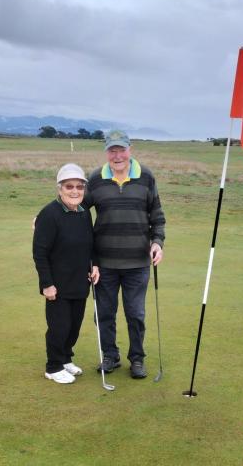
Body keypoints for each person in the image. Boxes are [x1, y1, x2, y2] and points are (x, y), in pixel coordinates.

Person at [83, 130, 165, 379]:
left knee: (135, 314)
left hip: (137, 263)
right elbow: (77, 208)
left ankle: (137, 359)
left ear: (130, 149)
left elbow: (157, 216)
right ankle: (110, 356)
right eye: (112, 150)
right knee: (104, 313)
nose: (117, 155)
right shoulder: (96, 179)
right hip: (103, 263)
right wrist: (46, 219)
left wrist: (157, 243)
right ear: (106, 152)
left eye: (121, 149)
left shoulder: (146, 177)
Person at [33, 163, 100, 384]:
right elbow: (40, 253)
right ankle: (53, 367)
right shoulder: (49, 214)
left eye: (79, 187)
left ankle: (65, 358)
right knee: (59, 327)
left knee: (73, 327)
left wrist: (95, 265)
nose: (75, 191)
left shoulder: (83, 213)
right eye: (69, 186)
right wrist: (46, 284)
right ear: (60, 189)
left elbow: (90, 245)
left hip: (80, 282)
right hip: (58, 285)